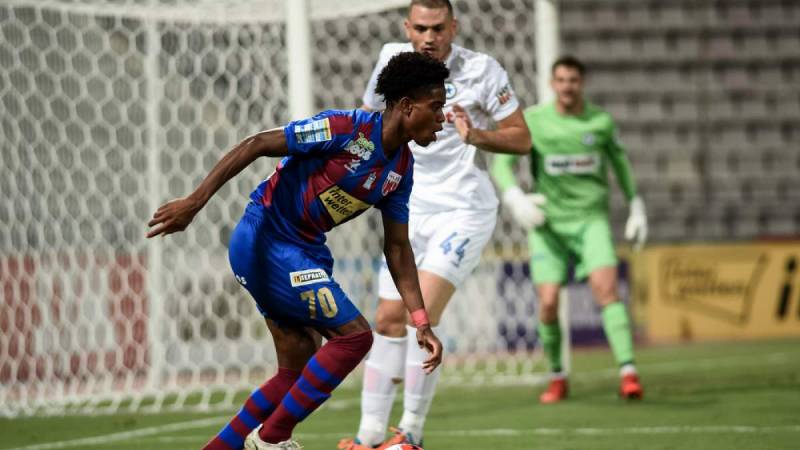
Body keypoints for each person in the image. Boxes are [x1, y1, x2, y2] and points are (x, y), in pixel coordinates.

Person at [146, 51, 447, 450]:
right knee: (355, 338)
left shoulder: (401, 170)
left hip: (304, 250)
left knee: (296, 368)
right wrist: (194, 202)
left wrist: (421, 320)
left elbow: (397, 247)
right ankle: (272, 439)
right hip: (266, 237)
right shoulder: (344, 128)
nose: (443, 118)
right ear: (407, 106)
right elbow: (256, 143)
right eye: (436, 107)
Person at [340, 1, 531, 448]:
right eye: (422, 28)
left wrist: (477, 136)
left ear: (454, 27)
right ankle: (369, 437)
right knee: (387, 318)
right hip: (407, 204)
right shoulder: (391, 60)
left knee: (419, 312)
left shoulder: (482, 70)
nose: (430, 37)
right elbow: (368, 119)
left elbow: (522, 138)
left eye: (439, 28)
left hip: (462, 209)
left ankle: (410, 433)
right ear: (407, 27)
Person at [491, 55, 648, 404]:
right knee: (548, 303)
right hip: (548, 225)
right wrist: (515, 197)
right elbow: (502, 164)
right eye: (561, 80)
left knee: (607, 290)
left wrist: (635, 205)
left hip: (591, 220)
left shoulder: (600, 122)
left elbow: (620, 164)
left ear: (582, 83)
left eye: (573, 80)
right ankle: (557, 376)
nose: (567, 87)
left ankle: (628, 373)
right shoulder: (534, 120)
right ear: (552, 84)